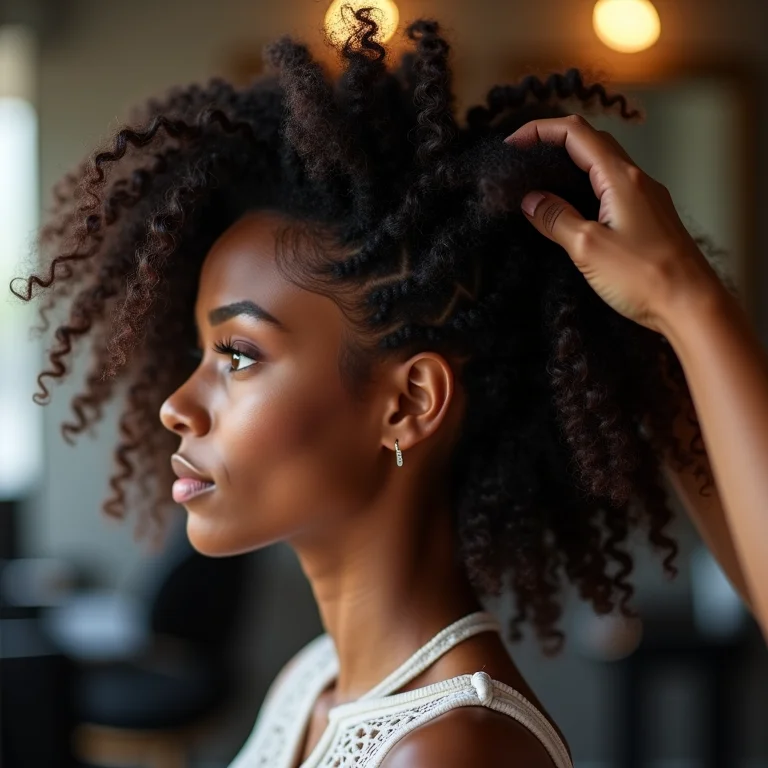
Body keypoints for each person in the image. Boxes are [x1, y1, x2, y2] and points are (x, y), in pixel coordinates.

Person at [10, 8, 768, 767]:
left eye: (237, 355)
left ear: (408, 405)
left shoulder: (447, 751)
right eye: (202, 352)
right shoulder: (311, 684)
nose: (177, 404)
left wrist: (682, 302)